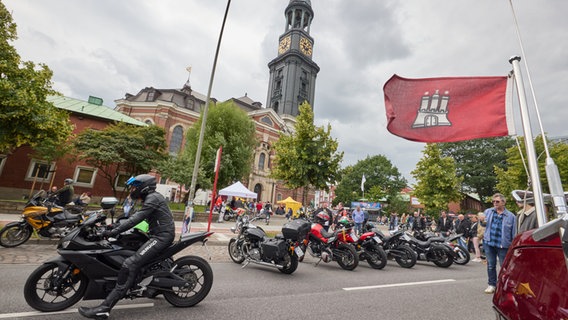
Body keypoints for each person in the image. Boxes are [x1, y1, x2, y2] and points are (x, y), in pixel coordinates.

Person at [78, 174, 175, 319]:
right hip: (155, 234)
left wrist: (112, 231)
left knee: (130, 264)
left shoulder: (153, 199)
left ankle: (104, 308)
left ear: (144, 187)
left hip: (161, 237)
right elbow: (131, 217)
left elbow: (135, 219)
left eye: (134, 187)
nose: (132, 190)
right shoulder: (149, 198)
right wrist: (113, 225)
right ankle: (151, 286)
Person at [483, 193, 517, 294]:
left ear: (503, 202)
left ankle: (503, 285)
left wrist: (513, 246)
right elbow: (483, 224)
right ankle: (492, 284)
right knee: (491, 265)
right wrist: (481, 221)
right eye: (493, 201)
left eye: (497, 201)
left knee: (504, 266)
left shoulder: (511, 216)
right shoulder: (488, 212)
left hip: (503, 245)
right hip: (489, 243)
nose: (495, 203)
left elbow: (514, 233)